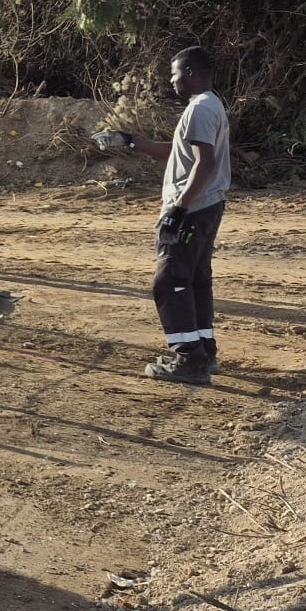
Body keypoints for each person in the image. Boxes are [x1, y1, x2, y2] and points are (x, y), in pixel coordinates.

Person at [122, 46, 230, 385]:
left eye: (175, 74)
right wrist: (131, 141)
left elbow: (204, 164)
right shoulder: (210, 105)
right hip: (207, 205)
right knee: (195, 279)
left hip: (192, 208)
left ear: (192, 72)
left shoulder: (200, 109)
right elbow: (179, 152)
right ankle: (204, 350)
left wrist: (178, 209)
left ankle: (188, 360)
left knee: (169, 280)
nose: (172, 80)